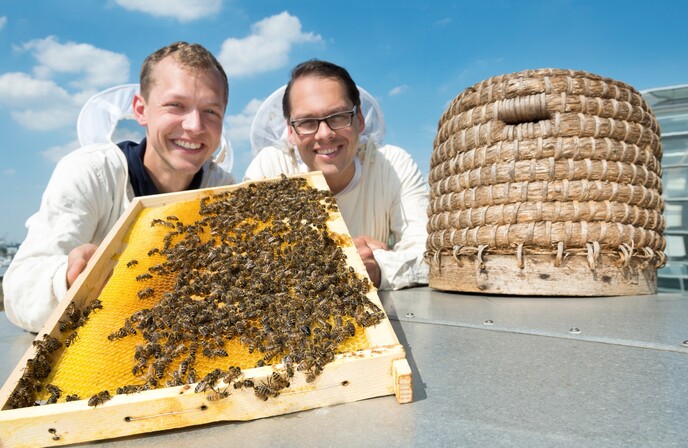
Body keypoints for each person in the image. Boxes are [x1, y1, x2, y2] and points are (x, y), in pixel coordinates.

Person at [3, 41, 235, 332]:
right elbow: (19, 289)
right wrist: (67, 278)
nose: (195, 126)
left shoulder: (225, 190)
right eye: (176, 105)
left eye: (211, 111)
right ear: (141, 110)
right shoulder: (91, 172)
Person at [245, 60, 429, 290]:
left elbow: (430, 256)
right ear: (290, 131)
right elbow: (248, 264)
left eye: (338, 116)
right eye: (307, 122)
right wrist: (344, 258)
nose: (324, 134)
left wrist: (379, 266)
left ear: (359, 119)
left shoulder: (393, 165)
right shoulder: (270, 167)